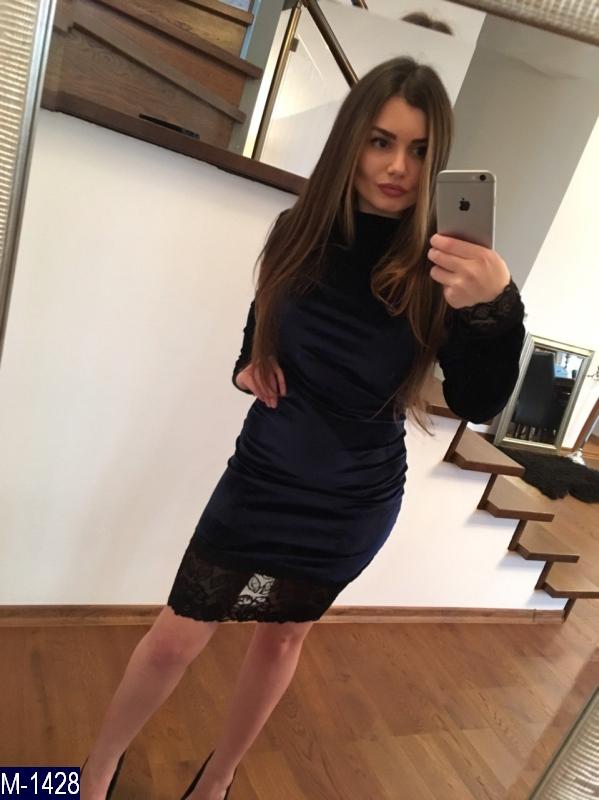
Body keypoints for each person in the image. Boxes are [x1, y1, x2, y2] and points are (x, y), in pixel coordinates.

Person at [80, 56, 526, 800]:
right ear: (351, 140)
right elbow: (259, 328)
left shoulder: (439, 268)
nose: (397, 167)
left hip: (355, 496)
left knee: (283, 637)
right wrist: (246, 368)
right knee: (173, 640)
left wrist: (497, 309)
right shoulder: (298, 230)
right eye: (381, 141)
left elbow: (478, 401)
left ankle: (217, 781)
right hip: (263, 473)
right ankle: (95, 773)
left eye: (419, 150)